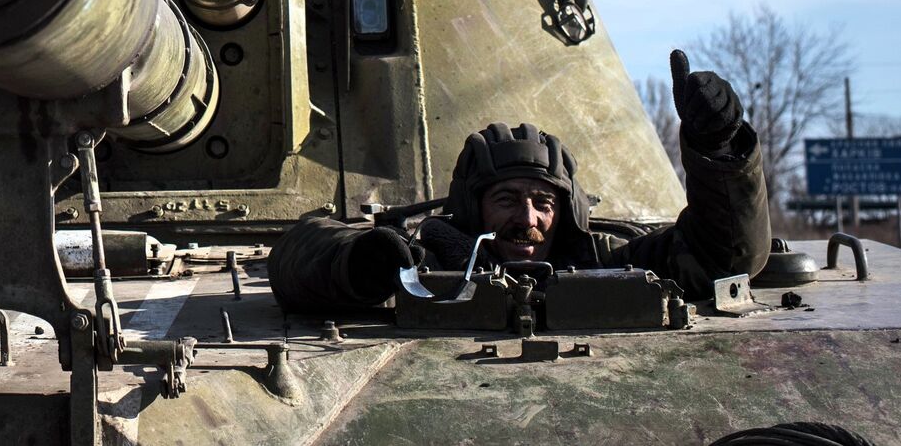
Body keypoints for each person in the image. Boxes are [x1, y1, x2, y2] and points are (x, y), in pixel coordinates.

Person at [267, 50, 769, 312]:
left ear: (565, 211)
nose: (527, 220)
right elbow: (297, 256)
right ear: (471, 207)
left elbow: (724, 258)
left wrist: (719, 149)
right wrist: (363, 263)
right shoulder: (430, 262)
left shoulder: (606, 260)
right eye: (507, 199)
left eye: (543, 203)